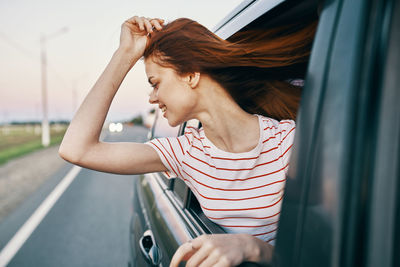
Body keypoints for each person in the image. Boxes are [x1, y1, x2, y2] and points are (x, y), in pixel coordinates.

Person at [59, 15, 317, 267]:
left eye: (155, 83)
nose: (151, 97)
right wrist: (125, 54)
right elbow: (76, 149)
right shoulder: (186, 153)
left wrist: (251, 247)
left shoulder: (288, 141)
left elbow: (326, 251)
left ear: (191, 75)